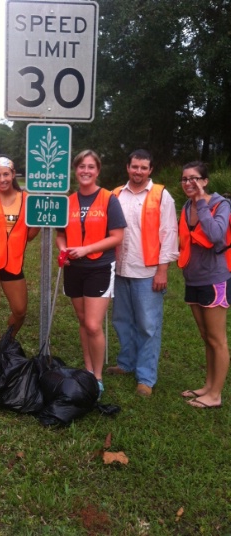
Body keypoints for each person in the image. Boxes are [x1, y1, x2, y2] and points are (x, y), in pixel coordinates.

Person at [108, 149, 179, 396]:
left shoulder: (161, 195)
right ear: (127, 167)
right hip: (120, 269)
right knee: (122, 321)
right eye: (134, 166)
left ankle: (146, 377)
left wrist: (163, 270)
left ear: (150, 170)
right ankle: (126, 363)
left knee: (148, 326)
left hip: (148, 272)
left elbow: (169, 233)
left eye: (143, 167)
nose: (138, 171)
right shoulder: (115, 194)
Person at [56, 150, 127, 398]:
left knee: (93, 324)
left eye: (91, 167)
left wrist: (86, 249)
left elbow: (117, 236)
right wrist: (63, 251)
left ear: (98, 170)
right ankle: (87, 369)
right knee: (82, 320)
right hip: (74, 269)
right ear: (75, 170)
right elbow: (61, 233)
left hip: (99, 267)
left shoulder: (109, 199)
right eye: (81, 167)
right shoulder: (69, 200)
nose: (85, 171)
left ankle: (96, 378)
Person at [178, 161, 230, 409]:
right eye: (185, 179)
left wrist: (202, 203)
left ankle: (216, 395)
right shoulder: (186, 206)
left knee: (218, 339)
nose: (189, 183)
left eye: (194, 178)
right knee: (205, 336)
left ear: (205, 181)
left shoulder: (221, 204)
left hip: (215, 279)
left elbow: (216, 235)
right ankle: (208, 386)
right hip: (194, 279)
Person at [0, 154, 39, 342]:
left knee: (20, 310)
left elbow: (30, 235)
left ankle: (6, 341)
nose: (2, 179)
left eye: (6, 174)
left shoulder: (27, 199)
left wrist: (38, 221)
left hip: (13, 263)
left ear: (13, 174)